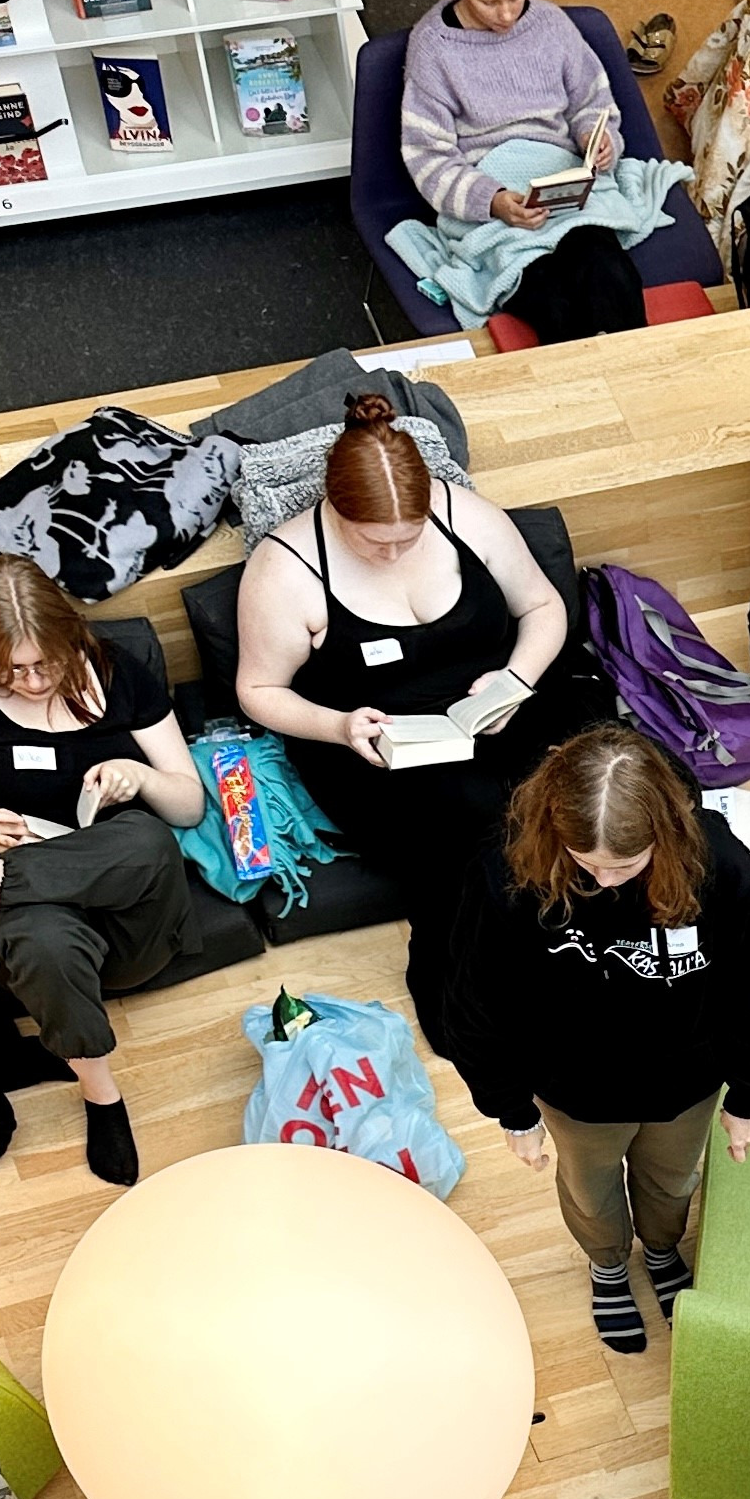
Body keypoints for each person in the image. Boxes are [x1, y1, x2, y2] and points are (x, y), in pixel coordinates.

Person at [446, 726, 750, 1355]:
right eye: (587, 864)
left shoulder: (720, 867)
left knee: (671, 1181)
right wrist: (511, 1108)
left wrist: (749, 1095)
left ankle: (662, 1251)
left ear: (662, 834)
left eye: (626, 865)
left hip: (687, 1080)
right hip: (572, 1087)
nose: (606, 881)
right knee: (591, 1187)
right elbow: (476, 1004)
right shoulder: (506, 874)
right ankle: (608, 1265)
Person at [234, 397, 573, 1050]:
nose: (391, 554)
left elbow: (542, 606)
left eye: (407, 537)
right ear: (336, 510)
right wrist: (340, 726)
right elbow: (258, 689)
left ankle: (566, 952)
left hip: (493, 709)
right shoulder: (285, 569)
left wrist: (516, 679)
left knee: (581, 793)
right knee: (470, 825)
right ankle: (457, 984)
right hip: (372, 743)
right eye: (372, 540)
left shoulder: (465, 517)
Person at [0, 557, 203, 1186]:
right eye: (11, 670)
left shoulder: (120, 675)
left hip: (131, 918)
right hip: (23, 937)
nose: (35, 681)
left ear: (71, 638)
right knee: (39, 929)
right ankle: (102, 1095)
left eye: (48, 662)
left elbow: (189, 805)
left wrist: (142, 778)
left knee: (147, 836)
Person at [400, 0, 644, 344]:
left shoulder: (552, 25)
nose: (507, 14)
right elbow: (428, 159)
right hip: (493, 199)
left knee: (608, 271)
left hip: (566, 187)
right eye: (489, 1)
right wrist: (491, 201)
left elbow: (593, 100)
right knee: (550, 299)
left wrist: (597, 136)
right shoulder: (432, 50)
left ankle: (637, 384)